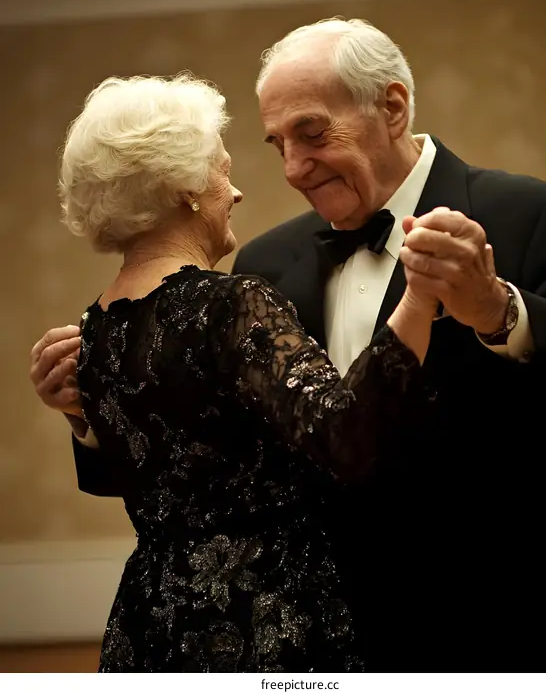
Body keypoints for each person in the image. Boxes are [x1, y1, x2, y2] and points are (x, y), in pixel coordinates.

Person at [31, 18, 546, 672]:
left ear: (392, 106)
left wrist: (497, 311)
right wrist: (88, 420)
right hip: (308, 634)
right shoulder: (265, 262)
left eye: (312, 132)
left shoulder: (530, 213)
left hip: (487, 626)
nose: (293, 169)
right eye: (276, 144)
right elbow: (206, 451)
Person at [33, 72, 438, 673]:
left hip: (153, 620)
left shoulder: (97, 325)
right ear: (187, 189)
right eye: (222, 171)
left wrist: (79, 418)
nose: (237, 191)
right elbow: (346, 437)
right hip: (265, 618)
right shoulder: (229, 304)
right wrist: (421, 296)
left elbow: (145, 475)